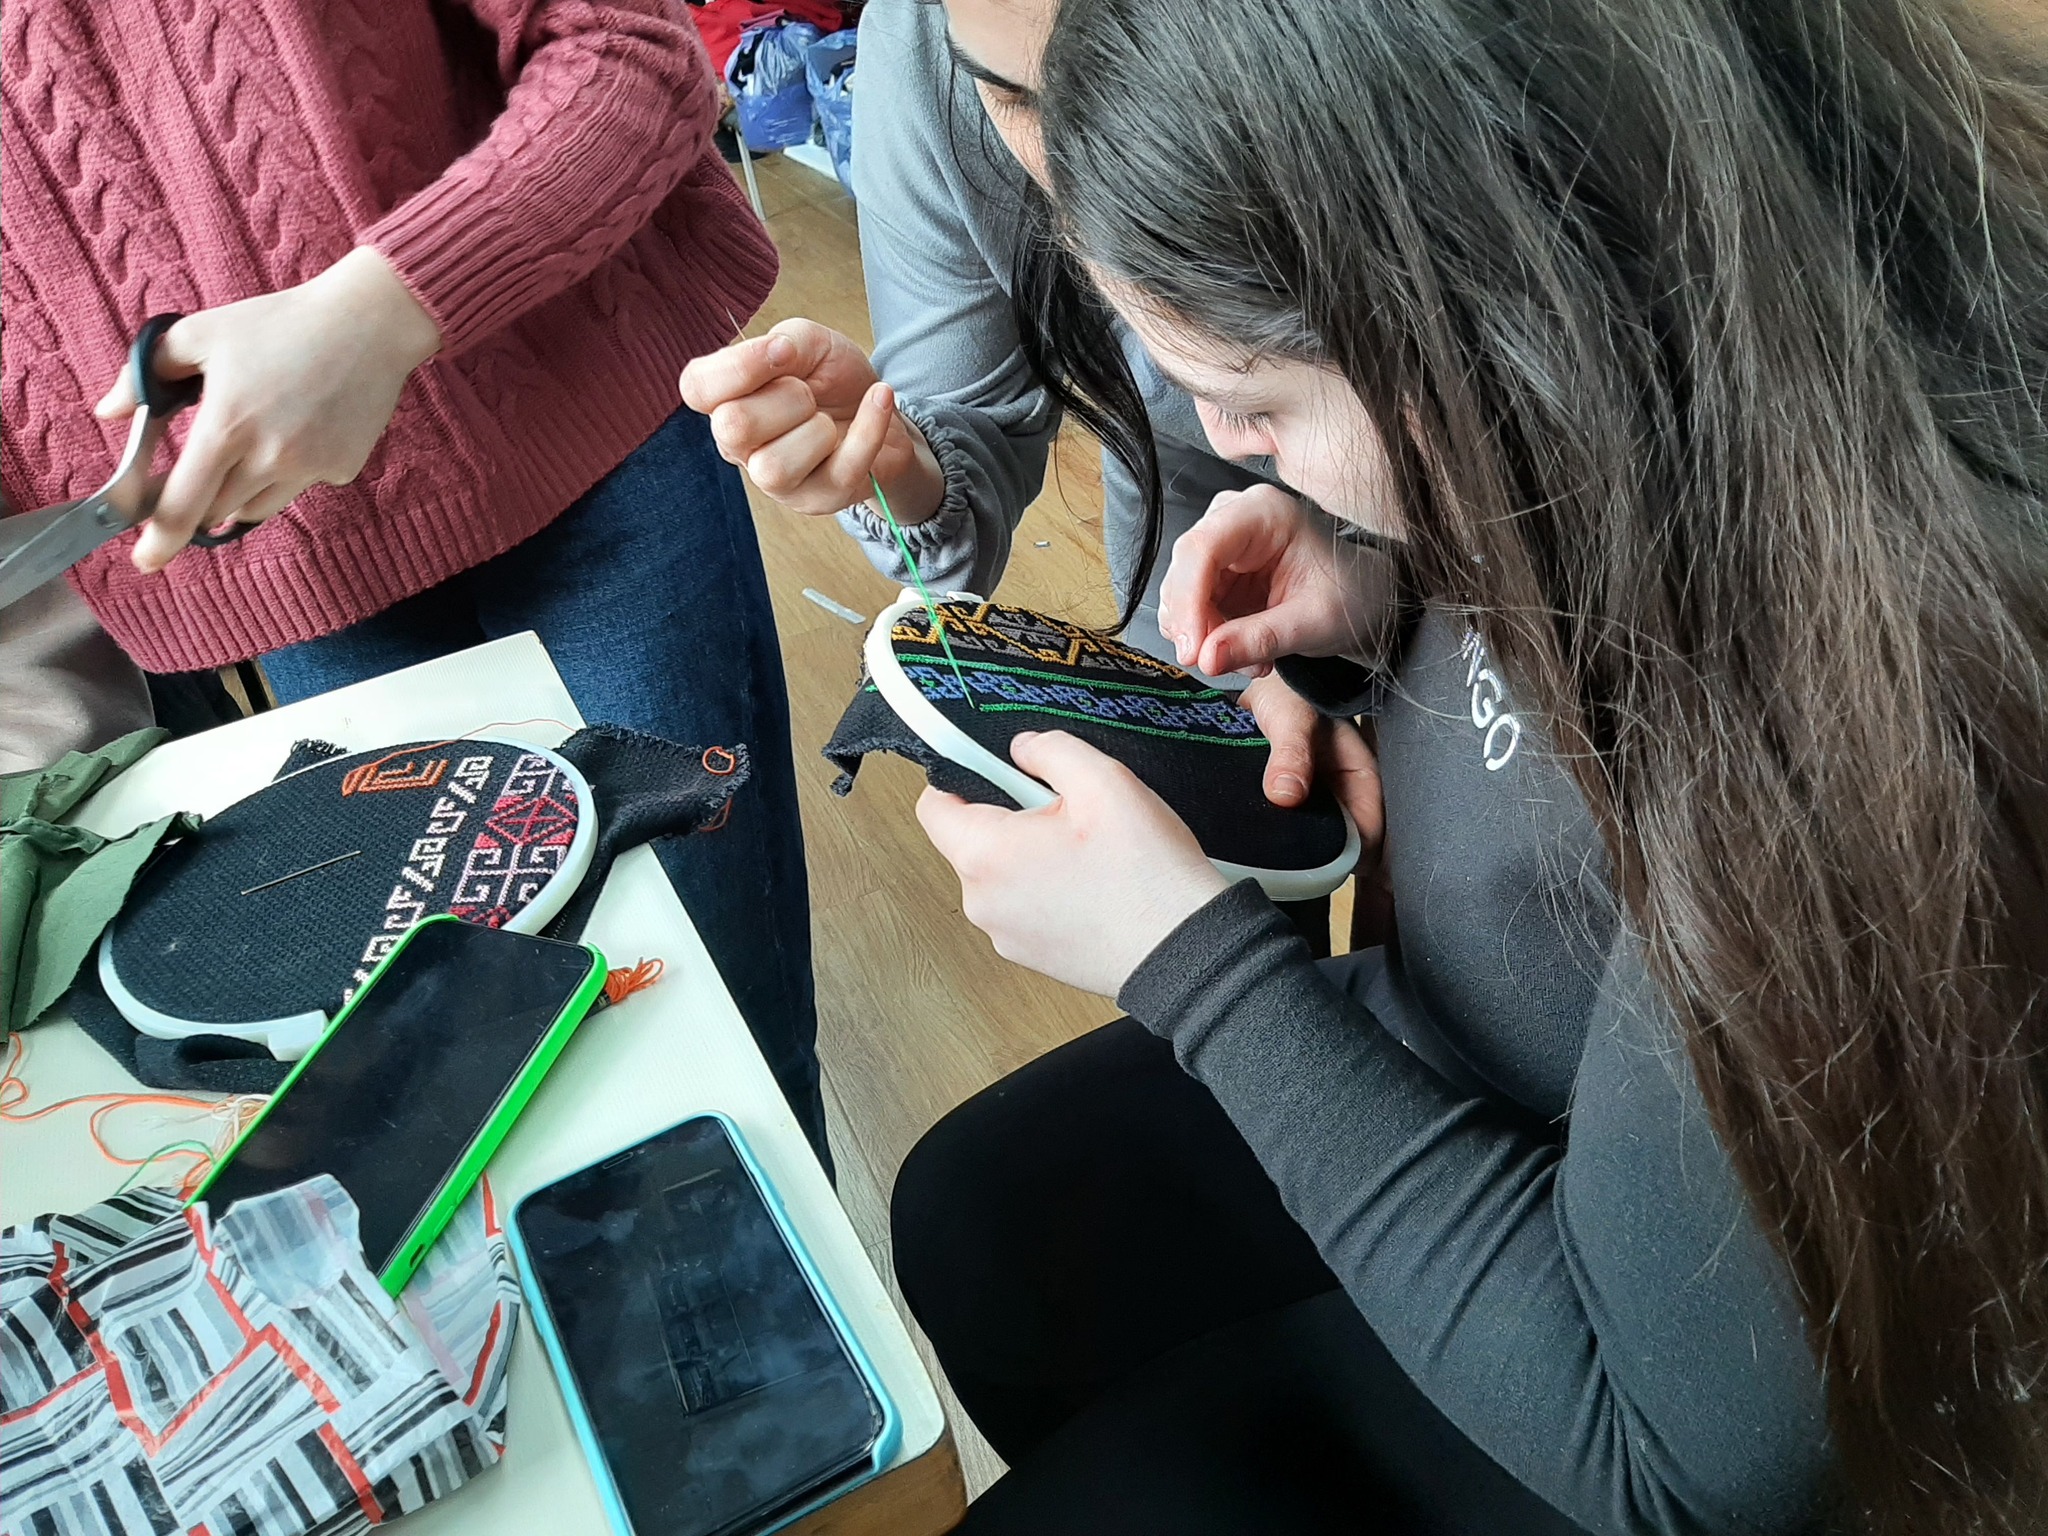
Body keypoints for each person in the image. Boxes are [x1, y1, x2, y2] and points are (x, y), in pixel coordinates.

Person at [891, 1, 2048, 1533]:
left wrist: (1195, 966)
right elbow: (1570, 664)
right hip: (1509, 1047)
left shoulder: (1871, 727)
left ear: (1504, 319)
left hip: (1650, 1349)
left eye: (1258, 405)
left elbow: (1671, 1470)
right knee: (982, 1216)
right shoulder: (1673, 374)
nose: (1227, 445)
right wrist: (1382, 583)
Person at [1, 1, 825, 1153]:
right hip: (295, 577)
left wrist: (378, 313)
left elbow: (632, 53)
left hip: (588, 441)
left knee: (715, 1032)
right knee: (457, 1071)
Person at [676, 0, 1395, 929]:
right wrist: (900, 461)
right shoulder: (928, 41)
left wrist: (1419, 609)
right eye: (1016, 94)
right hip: (1245, 550)